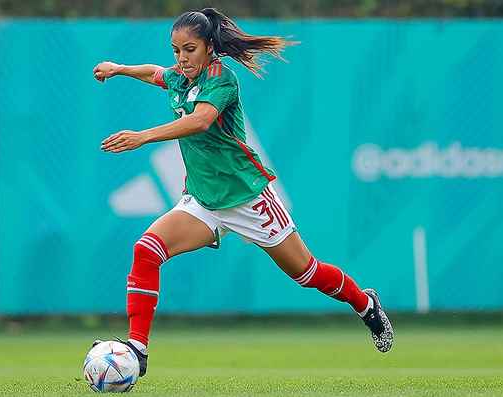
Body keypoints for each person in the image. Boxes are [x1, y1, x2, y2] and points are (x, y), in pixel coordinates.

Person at [91, 8, 393, 378]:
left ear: (209, 48)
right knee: (146, 251)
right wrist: (119, 68)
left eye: (190, 49)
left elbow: (200, 120)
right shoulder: (179, 77)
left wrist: (143, 136)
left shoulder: (223, 79)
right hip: (204, 201)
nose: (182, 58)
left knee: (307, 272)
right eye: (176, 51)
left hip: (249, 200)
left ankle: (366, 304)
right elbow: (155, 72)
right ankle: (138, 350)